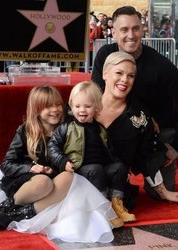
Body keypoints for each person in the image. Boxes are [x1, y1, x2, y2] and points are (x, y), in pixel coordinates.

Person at [0, 85, 116, 243]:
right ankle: (4, 208)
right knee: (43, 182)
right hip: (26, 179)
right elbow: (7, 163)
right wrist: (30, 168)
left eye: (58, 104)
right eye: (48, 106)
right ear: (36, 110)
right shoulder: (26, 130)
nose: (55, 110)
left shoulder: (68, 127)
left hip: (54, 179)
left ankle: (21, 214)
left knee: (68, 177)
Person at [91, 6, 178, 198]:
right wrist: (142, 113)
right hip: (120, 127)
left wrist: (176, 145)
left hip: (157, 134)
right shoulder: (105, 55)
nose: (131, 35)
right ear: (113, 32)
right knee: (105, 191)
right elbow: (98, 96)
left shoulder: (161, 66)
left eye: (136, 28)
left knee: (159, 195)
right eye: (124, 29)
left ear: (143, 30)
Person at [96, 51, 178, 205]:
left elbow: (146, 157)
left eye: (130, 76)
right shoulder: (84, 105)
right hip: (82, 177)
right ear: (105, 73)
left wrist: (163, 192)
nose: (125, 80)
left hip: (115, 184)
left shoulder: (140, 117)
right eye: (119, 73)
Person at [48, 81, 135, 226]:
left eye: (87, 106)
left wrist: (120, 167)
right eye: (77, 106)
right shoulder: (67, 127)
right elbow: (53, 146)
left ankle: (116, 204)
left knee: (119, 167)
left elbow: (110, 151)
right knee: (95, 169)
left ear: (96, 107)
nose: (82, 110)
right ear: (71, 106)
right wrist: (62, 161)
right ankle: (101, 209)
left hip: (100, 169)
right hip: (79, 169)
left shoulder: (100, 129)